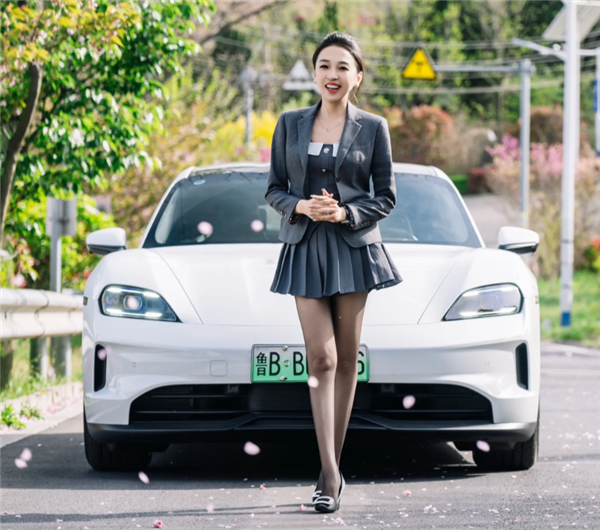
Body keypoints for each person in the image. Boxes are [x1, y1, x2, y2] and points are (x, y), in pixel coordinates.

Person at [265, 32, 403, 513]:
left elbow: (386, 197)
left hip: (352, 249)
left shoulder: (374, 127)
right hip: (304, 246)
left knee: (346, 360)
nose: (332, 74)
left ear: (357, 77)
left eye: (343, 67)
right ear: (314, 73)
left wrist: (346, 213)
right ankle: (329, 472)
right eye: (325, 65)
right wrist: (300, 205)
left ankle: (332, 469)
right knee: (320, 359)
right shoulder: (289, 123)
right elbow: (273, 189)